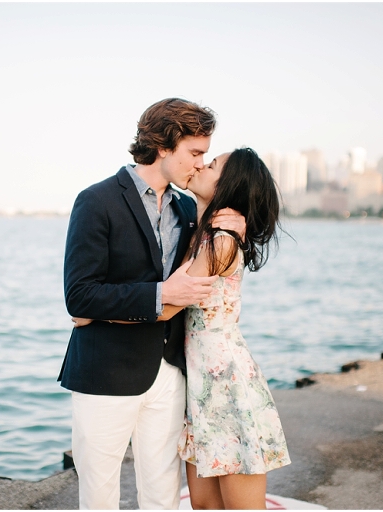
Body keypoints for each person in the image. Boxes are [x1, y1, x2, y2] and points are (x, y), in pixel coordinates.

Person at [74, 147, 291, 509]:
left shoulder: (220, 242)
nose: (201, 165)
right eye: (200, 155)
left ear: (229, 185)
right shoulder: (199, 229)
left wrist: (92, 315)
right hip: (199, 381)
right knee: (204, 505)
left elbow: (166, 305)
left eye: (212, 163)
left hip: (226, 381)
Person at [58, 98, 246, 510]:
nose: (200, 164)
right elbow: (79, 294)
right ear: (164, 145)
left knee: (162, 496)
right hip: (105, 371)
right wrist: (161, 295)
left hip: (168, 371)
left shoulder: (186, 208)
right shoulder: (97, 200)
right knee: (100, 494)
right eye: (194, 152)